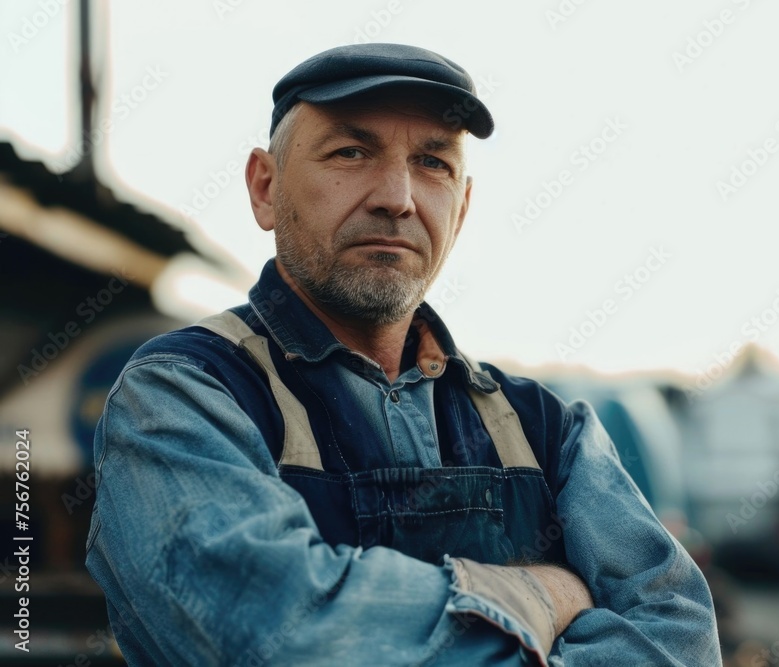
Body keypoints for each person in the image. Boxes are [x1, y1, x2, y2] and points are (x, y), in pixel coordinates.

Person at [85, 43, 722, 666]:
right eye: (351, 152)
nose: (398, 197)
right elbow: (282, 636)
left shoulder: (546, 430)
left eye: (433, 163)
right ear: (264, 188)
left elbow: (680, 637)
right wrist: (543, 594)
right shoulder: (182, 395)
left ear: (463, 208)